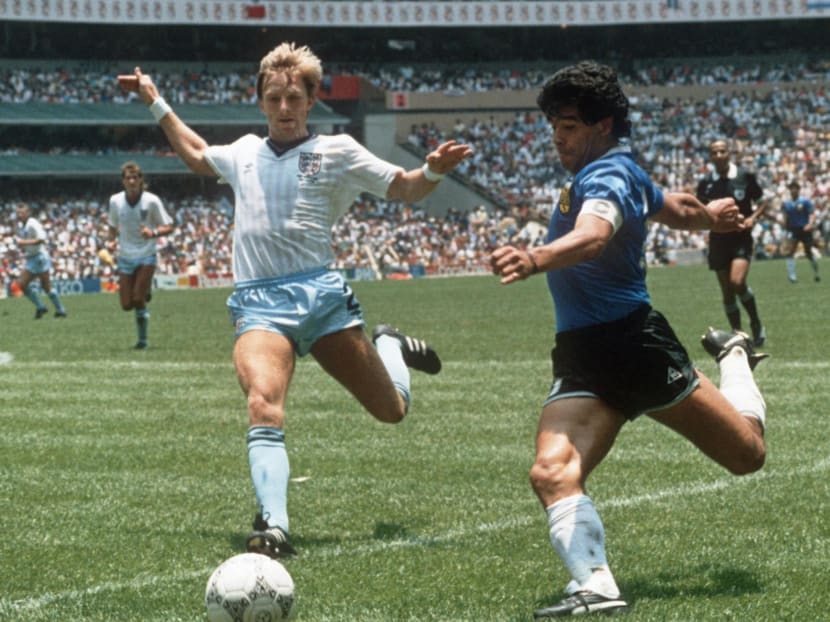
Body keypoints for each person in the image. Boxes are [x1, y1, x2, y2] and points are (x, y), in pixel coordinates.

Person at [118, 42, 472, 558]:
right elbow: (196, 154)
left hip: (323, 299)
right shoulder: (242, 153)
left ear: (311, 101)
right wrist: (154, 98)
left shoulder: (337, 151)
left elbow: (404, 188)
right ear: (260, 100)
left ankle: (391, 347)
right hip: (259, 304)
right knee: (263, 401)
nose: (284, 108)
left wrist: (434, 170)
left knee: (391, 411)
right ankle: (274, 527)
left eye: (294, 98)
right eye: (274, 98)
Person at [490, 61, 768, 618]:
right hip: (582, 355)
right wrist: (713, 217)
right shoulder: (618, 171)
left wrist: (536, 256)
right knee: (551, 472)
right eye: (554, 124)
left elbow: (593, 236)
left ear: (604, 124)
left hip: (634, 346)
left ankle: (735, 357)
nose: (557, 135)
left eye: (568, 124)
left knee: (747, 455)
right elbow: (678, 208)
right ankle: (596, 586)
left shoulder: (609, 176)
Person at [696, 139, 766, 346]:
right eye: (714, 152)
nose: (718, 155)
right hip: (718, 240)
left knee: (737, 282)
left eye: (722, 151)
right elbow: (700, 209)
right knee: (727, 291)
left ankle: (756, 322)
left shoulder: (744, 177)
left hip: (740, 238)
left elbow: (762, 201)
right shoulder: (706, 183)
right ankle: (739, 334)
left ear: (729, 153)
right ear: (710, 156)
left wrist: (753, 218)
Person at [106, 161, 175, 349]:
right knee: (126, 304)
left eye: (135, 177)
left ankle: (142, 340)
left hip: (147, 255)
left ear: (140, 179)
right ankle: (145, 291)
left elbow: (169, 226)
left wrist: (153, 233)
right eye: (128, 178)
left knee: (138, 299)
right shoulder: (115, 201)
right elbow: (112, 226)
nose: (131, 181)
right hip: (126, 256)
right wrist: (111, 241)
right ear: (123, 181)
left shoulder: (151, 201)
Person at [14, 202, 67, 319]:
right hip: (33, 257)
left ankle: (44, 307)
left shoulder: (32, 223)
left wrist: (23, 243)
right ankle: (58, 309)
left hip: (39, 257)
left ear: (28, 213)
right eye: (18, 213)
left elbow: (42, 239)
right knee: (42, 285)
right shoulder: (23, 225)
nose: (19, 215)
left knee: (25, 283)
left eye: (22, 213)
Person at [781, 180, 820, 283]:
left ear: (798, 190)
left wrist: (810, 224)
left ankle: (816, 273)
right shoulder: (787, 204)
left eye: (795, 188)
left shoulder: (805, 201)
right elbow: (787, 218)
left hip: (805, 230)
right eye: (791, 188)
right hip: (794, 230)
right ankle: (792, 276)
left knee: (808, 252)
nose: (793, 190)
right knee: (790, 252)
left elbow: (812, 214)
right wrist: (785, 227)